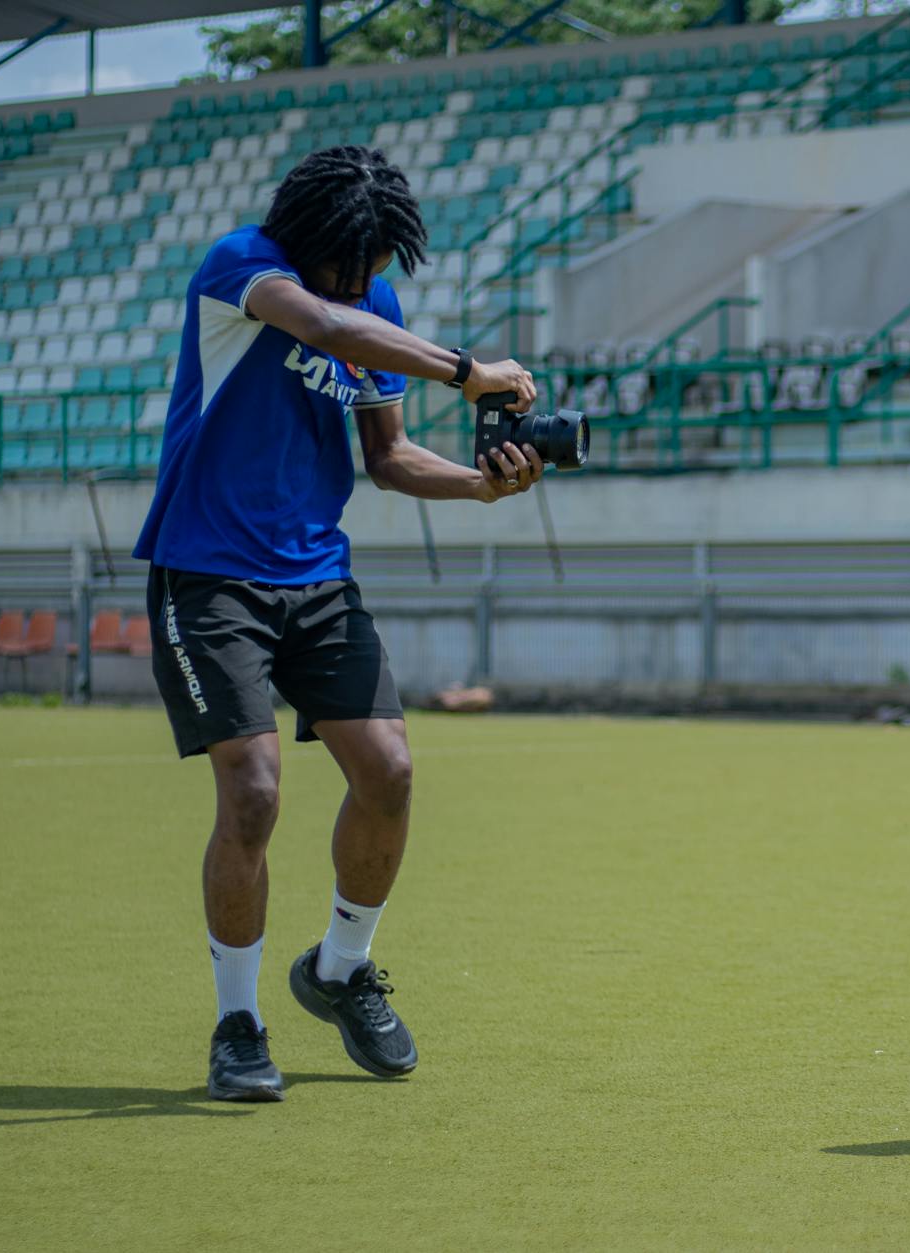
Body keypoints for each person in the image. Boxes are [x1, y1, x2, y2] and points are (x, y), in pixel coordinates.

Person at [133, 146, 545, 1102]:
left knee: (391, 771)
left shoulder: (373, 309)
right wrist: (467, 370)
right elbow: (322, 323)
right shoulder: (241, 265)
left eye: (375, 272)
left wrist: (484, 485)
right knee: (254, 792)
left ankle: (341, 968)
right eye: (350, 268)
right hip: (208, 574)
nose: (364, 286)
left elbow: (392, 459)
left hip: (316, 579)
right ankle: (239, 1023)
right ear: (308, 241)